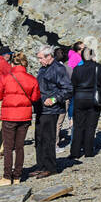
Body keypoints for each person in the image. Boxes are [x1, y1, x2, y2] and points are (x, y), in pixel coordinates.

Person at [0, 51, 40, 186]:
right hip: (24, 116)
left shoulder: (6, 78)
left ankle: (7, 177)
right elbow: (35, 98)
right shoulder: (32, 79)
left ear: (12, 63)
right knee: (20, 147)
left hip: (9, 116)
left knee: (8, 147)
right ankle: (17, 176)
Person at [34, 45, 73, 176]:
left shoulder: (58, 69)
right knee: (39, 138)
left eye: (40, 58)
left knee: (48, 139)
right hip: (40, 108)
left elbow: (68, 89)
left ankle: (50, 167)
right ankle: (40, 165)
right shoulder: (42, 69)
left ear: (49, 56)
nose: (39, 60)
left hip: (52, 109)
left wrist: (54, 99)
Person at [68, 46, 101, 160]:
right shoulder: (98, 67)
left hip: (79, 98)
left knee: (78, 126)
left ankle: (75, 152)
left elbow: (72, 84)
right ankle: (88, 151)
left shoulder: (78, 69)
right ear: (93, 55)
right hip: (94, 98)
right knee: (91, 126)